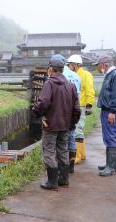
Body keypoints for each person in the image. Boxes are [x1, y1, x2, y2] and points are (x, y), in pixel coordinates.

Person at [33, 55, 81, 190]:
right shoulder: (71, 86)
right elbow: (76, 109)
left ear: (50, 69)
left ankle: (52, 182)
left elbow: (43, 103)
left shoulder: (49, 83)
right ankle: (64, 179)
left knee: (48, 151)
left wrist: (36, 112)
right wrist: (72, 123)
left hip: (51, 125)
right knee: (63, 150)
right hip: (65, 126)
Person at [94, 55, 116, 177]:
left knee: (110, 137)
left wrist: (112, 111)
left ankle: (110, 167)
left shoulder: (115, 75)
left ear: (105, 64)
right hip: (107, 110)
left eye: (98, 65)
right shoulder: (110, 75)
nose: (98, 67)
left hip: (110, 111)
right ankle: (112, 164)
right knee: (109, 137)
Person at [66, 55, 95, 164]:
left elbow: (90, 91)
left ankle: (77, 156)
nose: (68, 66)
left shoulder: (85, 75)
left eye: (70, 64)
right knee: (79, 130)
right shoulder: (74, 75)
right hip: (76, 106)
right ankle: (82, 154)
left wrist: (89, 106)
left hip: (81, 106)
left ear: (75, 65)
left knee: (77, 130)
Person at [63, 65, 81, 173]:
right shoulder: (76, 76)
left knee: (62, 142)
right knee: (72, 140)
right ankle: (71, 167)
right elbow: (77, 102)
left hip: (62, 115)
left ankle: (63, 167)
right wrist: (75, 119)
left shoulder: (60, 77)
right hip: (73, 114)